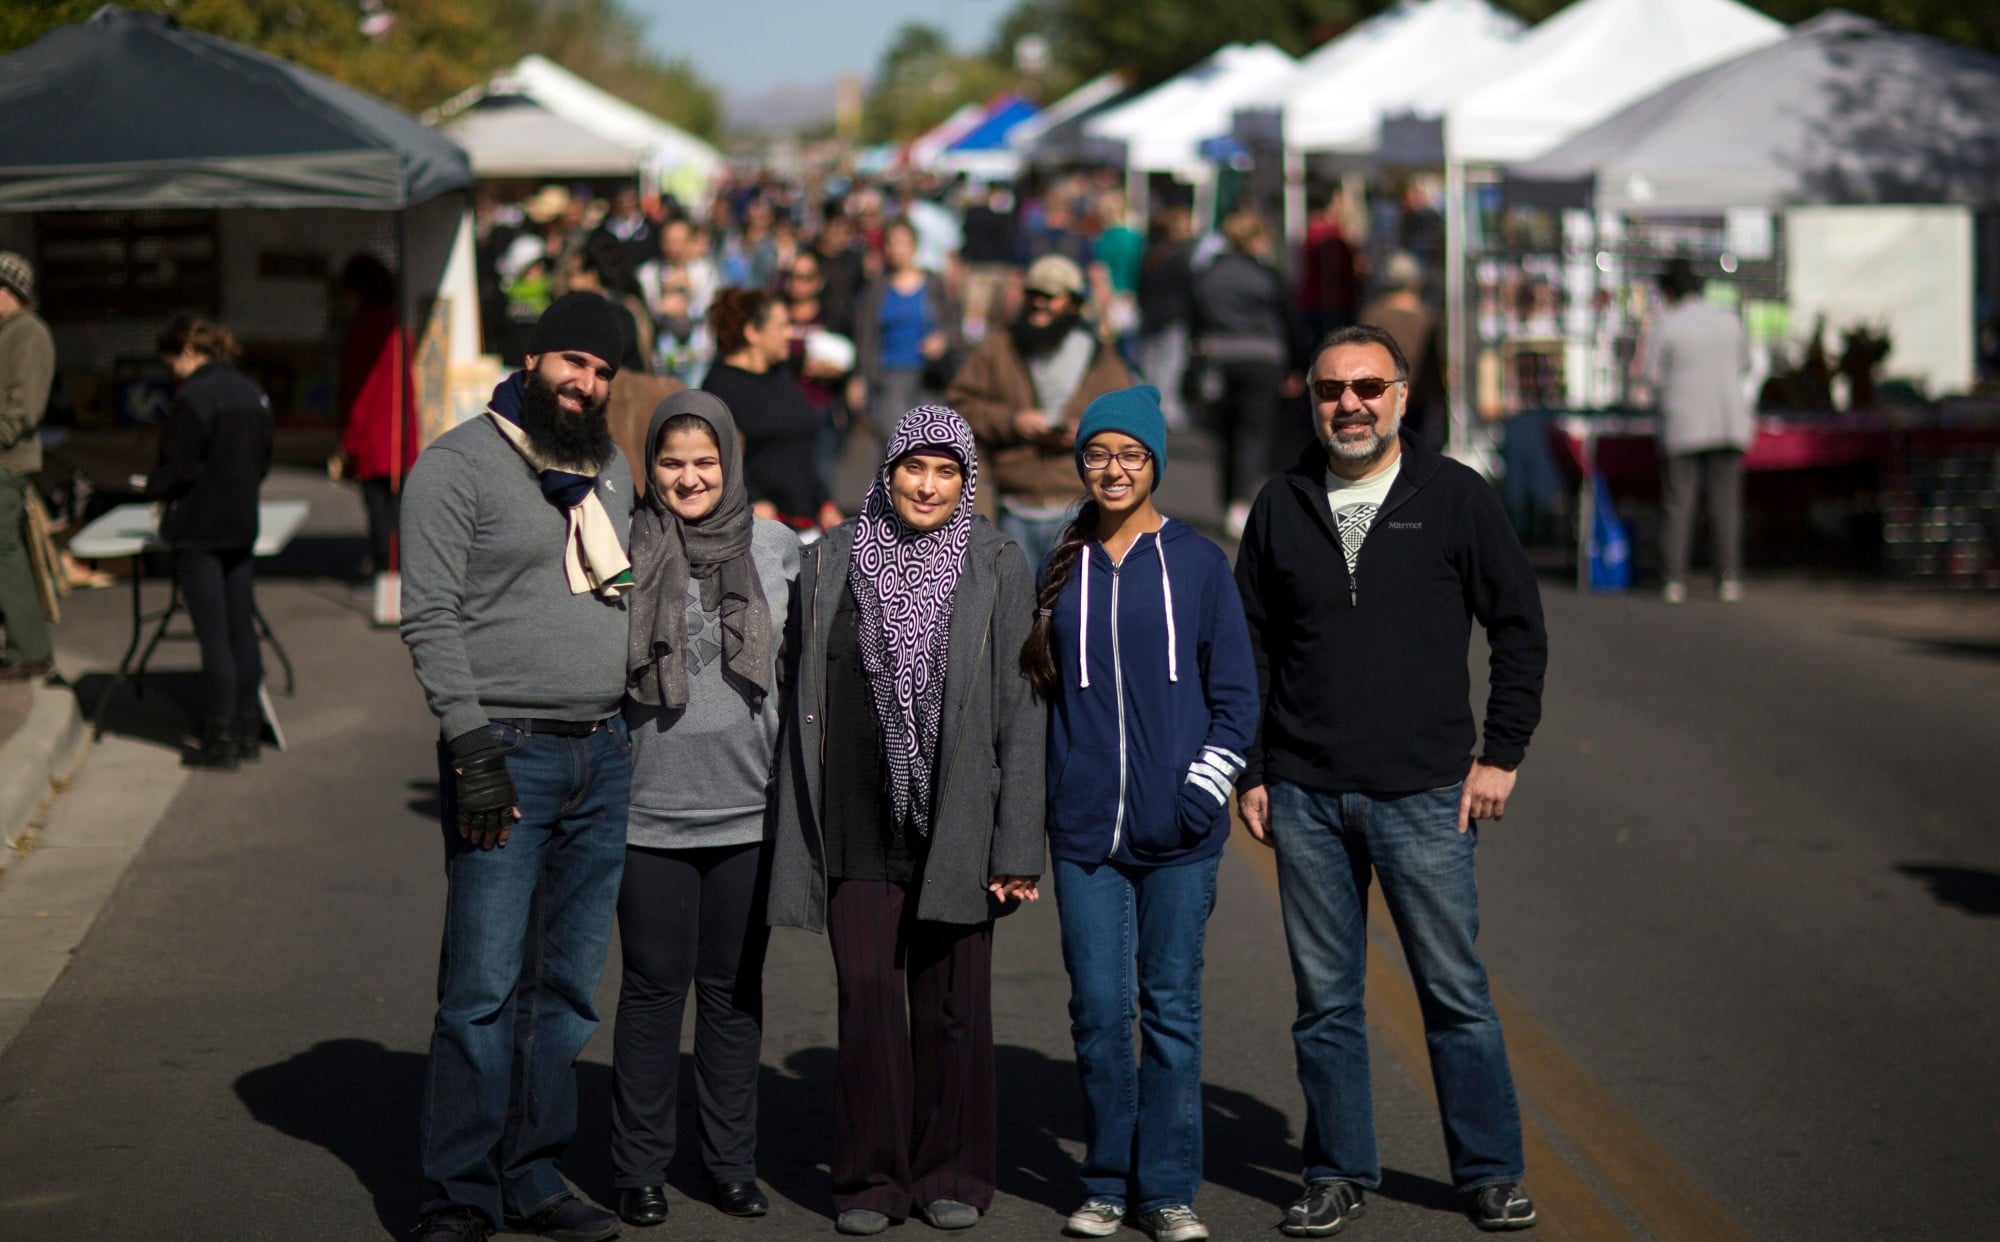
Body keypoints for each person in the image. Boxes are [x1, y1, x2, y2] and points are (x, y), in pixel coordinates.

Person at [1233, 324, 1548, 1237]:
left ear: (1403, 396)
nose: (1351, 404)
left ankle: (1489, 1172)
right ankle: (1335, 1171)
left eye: (1370, 387)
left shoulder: (1456, 498)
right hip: (1303, 793)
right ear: (1312, 399)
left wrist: (1503, 752)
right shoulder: (1281, 503)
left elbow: (1518, 626)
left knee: (1453, 993)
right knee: (1325, 1003)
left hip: (1426, 795)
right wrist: (1254, 769)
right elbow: (1249, 647)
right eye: (1333, 389)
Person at [767, 405, 1044, 1237]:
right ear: (886, 471)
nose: (927, 485)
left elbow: (1023, 713)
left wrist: (1018, 841)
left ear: (966, 480)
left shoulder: (997, 561)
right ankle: (870, 1178)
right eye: (912, 468)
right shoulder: (830, 561)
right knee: (868, 998)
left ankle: (950, 1168)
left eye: (946, 470)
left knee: (955, 1002)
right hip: (854, 815)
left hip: (957, 818)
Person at [399, 293, 637, 1242]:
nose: (585, 383)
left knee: (569, 987)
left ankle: (532, 1176)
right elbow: (430, 615)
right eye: (572, 361)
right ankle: (458, 1194)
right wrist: (470, 745)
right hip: (507, 752)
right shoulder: (456, 465)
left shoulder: (608, 466)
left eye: (603, 371)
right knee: (483, 989)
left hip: (606, 754)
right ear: (532, 358)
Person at [1019, 385, 1258, 1242]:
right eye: (1097, 454)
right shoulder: (1060, 559)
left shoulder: (1197, 563)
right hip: (1085, 833)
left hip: (1181, 837)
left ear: (1155, 462)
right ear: (1080, 464)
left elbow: (1236, 694)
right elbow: (1033, 699)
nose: (1112, 469)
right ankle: (1106, 1180)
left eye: (1130, 454)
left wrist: (1205, 783)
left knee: (1171, 1010)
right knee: (1096, 1008)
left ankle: (1165, 1189)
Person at [612, 390, 800, 1228]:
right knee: (654, 990)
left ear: (729, 461)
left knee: (732, 993)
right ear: (649, 469)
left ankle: (730, 1164)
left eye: (704, 462)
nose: (689, 478)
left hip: (747, 814)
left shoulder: (777, 546)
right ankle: (639, 1168)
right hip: (645, 811)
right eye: (670, 463)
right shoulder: (620, 546)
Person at [948, 253, 1132, 572]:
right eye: (1032, 294)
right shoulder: (997, 348)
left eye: (1049, 296)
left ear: (1073, 303)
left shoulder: (1101, 358)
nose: (1038, 304)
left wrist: (1090, 433)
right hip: (1009, 509)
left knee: (1066, 615)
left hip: (1078, 510)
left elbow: (1128, 420)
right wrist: (1012, 423)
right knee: (1014, 616)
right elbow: (959, 406)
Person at [146, 315, 274, 768]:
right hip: (242, 523)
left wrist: (152, 488)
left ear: (187, 353)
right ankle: (247, 730)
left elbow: (177, 467)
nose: (172, 372)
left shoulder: (193, 398)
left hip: (200, 528)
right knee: (242, 629)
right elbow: (263, 460)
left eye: (171, 362)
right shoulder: (252, 393)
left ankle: (219, 738)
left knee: (213, 635)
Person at [1190, 211, 1306, 538]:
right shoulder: (1268, 274)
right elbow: (1291, 320)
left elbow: (1194, 316)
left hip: (1218, 357)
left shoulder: (1209, 272)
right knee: (1253, 432)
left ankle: (1228, 498)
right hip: (1263, 358)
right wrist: (1297, 364)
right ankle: (1240, 503)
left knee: (1224, 432)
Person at [1646, 257, 1753, 604]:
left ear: (1671, 290)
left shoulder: (1668, 325)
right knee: (1725, 505)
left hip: (1684, 423)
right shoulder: (1729, 320)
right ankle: (1728, 577)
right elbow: (1745, 364)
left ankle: (1674, 578)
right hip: (1727, 420)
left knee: (1679, 502)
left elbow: (1651, 376)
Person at [702, 288, 840, 532]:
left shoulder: (781, 374)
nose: (790, 334)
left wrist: (824, 501)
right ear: (753, 332)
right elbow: (719, 458)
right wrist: (753, 500)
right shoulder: (719, 387)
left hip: (808, 523)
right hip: (759, 529)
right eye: (782, 326)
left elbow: (800, 449)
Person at [336, 253, 419, 588]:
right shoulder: (397, 325)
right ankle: (397, 572)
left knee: (380, 511)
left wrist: (349, 439)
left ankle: (388, 575)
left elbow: (356, 388)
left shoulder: (364, 328)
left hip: (374, 433)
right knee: (398, 509)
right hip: (399, 431)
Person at [849, 220, 960, 445]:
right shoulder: (876, 288)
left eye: (902, 243)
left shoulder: (934, 284)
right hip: (889, 378)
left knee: (928, 446)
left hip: (929, 377)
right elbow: (865, 334)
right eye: (891, 243)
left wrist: (942, 340)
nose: (896, 249)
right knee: (895, 445)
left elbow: (954, 324)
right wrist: (860, 377)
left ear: (914, 246)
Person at [0, 252, 55, 682]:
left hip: (6, 462)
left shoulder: (27, 334)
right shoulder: (8, 332)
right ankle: (22, 646)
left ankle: (30, 650)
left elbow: (23, 410)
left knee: (6, 553)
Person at [1357, 252, 1446, 449]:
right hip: (1417, 397)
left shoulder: (1372, 313)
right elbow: (1436, 363)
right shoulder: (1427, 317)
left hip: (1380, 394)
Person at [1137, 208, 1197, 433]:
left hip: (1151, 314)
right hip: (1174, 316)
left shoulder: (1151, 253)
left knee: (1150, 365)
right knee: (1169, 365)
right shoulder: (1185, 255)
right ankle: (1163, 411)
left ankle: (1151, 408)